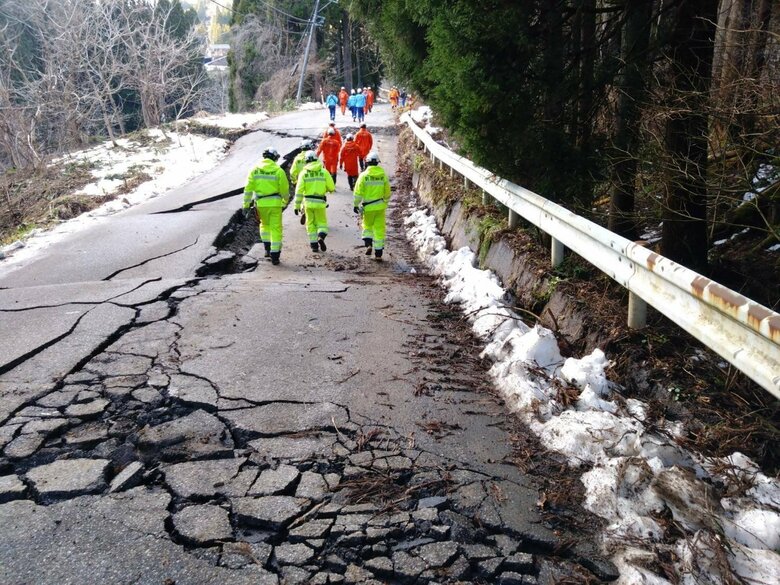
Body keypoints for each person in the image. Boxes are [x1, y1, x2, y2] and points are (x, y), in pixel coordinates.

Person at [242, 147, 290, 265]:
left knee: (264, 225)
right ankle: (275, 255)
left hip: (261, 204)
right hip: (275, 204)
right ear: (274, 157)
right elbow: (284, 189)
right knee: (276, 228)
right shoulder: (278, 171)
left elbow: (248, 189)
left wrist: (246, 205)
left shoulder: (254, 170)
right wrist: (285, 200)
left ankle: (267, 249)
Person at [353, 151, 391, 260]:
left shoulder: (363, 176)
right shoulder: (383, 175)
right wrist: (385, 202)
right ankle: (378, 253)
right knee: (379, 229)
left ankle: (368, 244)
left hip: (368, 208)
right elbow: (387, 192)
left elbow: (357, 193)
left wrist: (355, 205)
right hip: (380, 207)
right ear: (378, 162)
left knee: (367, 226)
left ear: (367, 162)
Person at [295, 151, 334, 253]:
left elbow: (299, 191)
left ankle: (314, 246)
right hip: (320, 202)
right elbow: (332, 187)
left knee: (310, 223)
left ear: (306, 161)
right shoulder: (324, 172)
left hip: (307, 203)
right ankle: (321, 236)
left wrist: (297, 205)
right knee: (322, 222)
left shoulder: (303, 173)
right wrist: (324, 189)